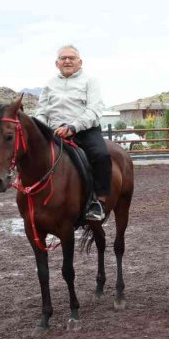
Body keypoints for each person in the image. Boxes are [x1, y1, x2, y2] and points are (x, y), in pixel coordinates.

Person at [34, 45, 109, 221]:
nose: (67, 61)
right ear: (56, 63)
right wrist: (44, 128)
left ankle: (98, 201)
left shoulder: (90, 81)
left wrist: (73, 127)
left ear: (80, 62)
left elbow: (94, 110)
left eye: (71, 58)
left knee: (101, 155)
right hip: (54, 132)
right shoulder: (49, 84)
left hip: (84, 131)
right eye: (63, 58)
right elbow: (41, 111)